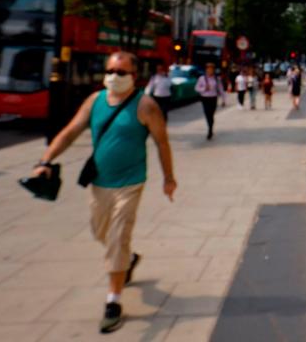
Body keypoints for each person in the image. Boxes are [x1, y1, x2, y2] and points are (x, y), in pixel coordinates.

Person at [30, 51, 176, 334]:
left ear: (134, 76)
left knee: (117, 237)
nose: (113, 77)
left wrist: (169, 178)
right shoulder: (94, 101)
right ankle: (129, 260)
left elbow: (162, 143)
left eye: (121, 72)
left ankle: (113, 302)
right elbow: (71, 131)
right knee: (101, 233)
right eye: (110, 71)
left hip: (131, 183)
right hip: (99, 182)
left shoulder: (146, 106)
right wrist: (45, 160)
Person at [195, 62, 226, 139]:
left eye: (211, 69)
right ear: (206, 70)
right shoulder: (201, 78)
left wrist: (223, 99)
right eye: (208, 69)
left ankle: (210, 127)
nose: (210, 71)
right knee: (207, 114)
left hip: (213, 98)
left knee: (211, 114)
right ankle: (210, 130)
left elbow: (221, 89)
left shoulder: (216, 79)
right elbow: (196, 88)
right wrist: (204, 88)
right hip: (205, 98)